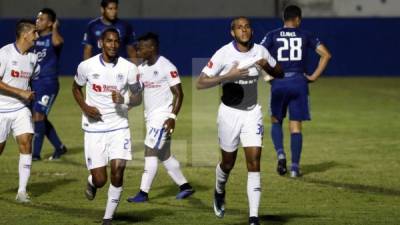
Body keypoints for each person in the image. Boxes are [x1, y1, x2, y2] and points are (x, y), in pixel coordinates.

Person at [196, 17, 283, 225]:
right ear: (232, 33)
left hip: (252, 113)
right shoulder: (224, 53)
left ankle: (253, 217)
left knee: (254, 162)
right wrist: (228, 75)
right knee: (228, 163)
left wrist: (267, 66)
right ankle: (219, 190)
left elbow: (279, 72)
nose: (243, 30)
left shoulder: (260, 51)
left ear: (251, 31)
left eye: (247, 27)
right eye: (239, 28)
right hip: (229, 114)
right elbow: (200, 82)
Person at [72, 27, 142, 225]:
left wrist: (125, 99)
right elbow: (76, 88)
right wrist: (85, 106)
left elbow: (137, 98)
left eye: (116, 41)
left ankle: (107, 218)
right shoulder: (86, 66)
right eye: (109, 41)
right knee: (101, 179)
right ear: (101, 43)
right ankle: (92, 182)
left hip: (119, 127)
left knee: (118, 171)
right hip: (94, 128)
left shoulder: (129, 68)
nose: (113, 45)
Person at [260, 5, 331, 177]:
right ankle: (294, 168)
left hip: (279, 82)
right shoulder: (306, 35)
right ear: (298, 19)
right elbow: (326, 55)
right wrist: (313, 76)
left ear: (284, 19)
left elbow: (257, 56)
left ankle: (281, 154)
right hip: (299, 82)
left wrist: (267, 76)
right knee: (296, 127)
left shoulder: (272, 35)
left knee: (276, 121)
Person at [126, 32, 194, 203]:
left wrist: (172, 117)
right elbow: (137, 95)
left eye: (141, 47)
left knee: (150, 151)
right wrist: (124, 106)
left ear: (152, 48)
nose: (138, 50)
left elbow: (179, 94)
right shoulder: (142, 69)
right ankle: (185, 186)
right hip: (151, 118)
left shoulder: (167, 66)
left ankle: (143, 193)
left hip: (163, 118)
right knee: (164, 155)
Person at [0, 19, 39, 203]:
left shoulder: (33, 58)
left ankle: (22, 192)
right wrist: (20, 91)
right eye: (34, 33)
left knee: (26, 142)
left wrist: (30, 94)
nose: (37, 36)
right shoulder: (5, 53)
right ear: (25, 34)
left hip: (21, 109)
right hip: (1, 109)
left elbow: (34, 78)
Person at [32, 8, 67, 161]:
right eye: (37, 18)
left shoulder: (53, 38)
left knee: (39, 115)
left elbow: (58, 42)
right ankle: (59, 147)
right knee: (39, 117)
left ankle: (35, 155)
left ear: (50, 23)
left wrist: (55, 28)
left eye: (42, 19)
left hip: (48, 83)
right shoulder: (33, 38)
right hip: (34, 83)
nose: (37, 21)